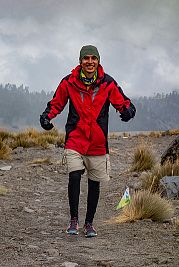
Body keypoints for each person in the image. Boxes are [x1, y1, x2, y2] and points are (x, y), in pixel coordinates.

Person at [40, 45, 136, 237]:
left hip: (97, 142)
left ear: (98, 61)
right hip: (75, 138)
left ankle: (89, 223)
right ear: (80, 61)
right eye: (86, 58)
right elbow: (57, 102)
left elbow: (123, 102)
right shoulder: (68, 82)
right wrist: (46, 117)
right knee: (74, 175)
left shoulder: (108, 83)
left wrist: (128, 111)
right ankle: (73, 219)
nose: (90, 62)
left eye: (93, 58)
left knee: (94, 183)